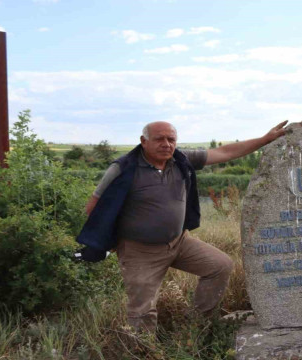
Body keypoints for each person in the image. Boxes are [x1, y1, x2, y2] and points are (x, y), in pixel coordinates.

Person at [75, 120, 287, 332]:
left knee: (220, 265)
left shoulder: (181, 159)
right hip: (140, 251)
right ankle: (143, 350)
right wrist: (113, 240)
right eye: (159, 139)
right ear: (143, 141)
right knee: (142, 310)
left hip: (179, 242)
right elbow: (94, 208)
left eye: (171, 139)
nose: (166, 144)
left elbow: (224, 152)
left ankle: (194, 327)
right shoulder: (123, 168)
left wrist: (264, 140)